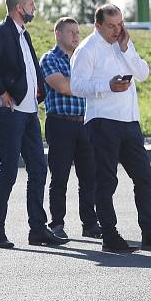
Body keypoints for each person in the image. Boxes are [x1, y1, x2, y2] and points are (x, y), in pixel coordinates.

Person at [70, 4, 151, 253]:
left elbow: (142, 73)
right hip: (102, 122)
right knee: (106, 181)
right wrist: (107, 86)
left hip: (130, 122)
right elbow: (77, 85)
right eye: (111, 25)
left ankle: (149, 232)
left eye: (120, 24)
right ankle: (109, 235)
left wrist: (126, 47)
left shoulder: (123, 44)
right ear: (97, 25)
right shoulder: (87, 49)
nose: (116, 29)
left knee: (144, 176)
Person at [0, 0, 69, 248]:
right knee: (9, 171)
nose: (34, 9)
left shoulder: (24, 35)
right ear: (19, 8)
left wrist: (37, 86)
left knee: (38, 168)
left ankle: (37, 229)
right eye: (31, 5)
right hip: (9, 113)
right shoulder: (1, 32)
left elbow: (27, 66)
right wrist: (1, 90)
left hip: (28, 113)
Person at [40, 17, 102, 239]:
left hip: (85, 123)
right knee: (60, 177)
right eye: (71, 32)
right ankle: (57, 224)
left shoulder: (83, 58)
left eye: (77, 32)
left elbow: (89, 84)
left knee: (89, 177)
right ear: (58, 34)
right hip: (60, 123)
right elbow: (63, 86)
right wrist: (88, 86)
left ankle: (90, 224)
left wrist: (88, 85)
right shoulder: (49, 59)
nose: (76, 36)